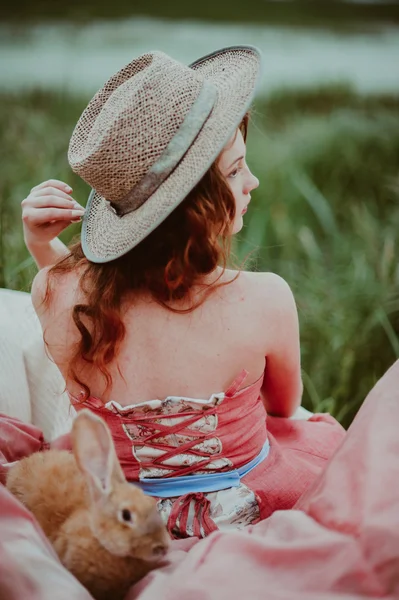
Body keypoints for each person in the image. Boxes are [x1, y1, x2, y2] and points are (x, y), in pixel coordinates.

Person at [20, 46, 345, 539]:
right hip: (245, 508)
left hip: (119, 514)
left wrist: (41, 247)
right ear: (192, 208)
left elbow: (80, 294)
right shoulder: (265, 299)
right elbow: (283, 407)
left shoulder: (53, 291)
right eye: (235, 171)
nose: (252, 181)